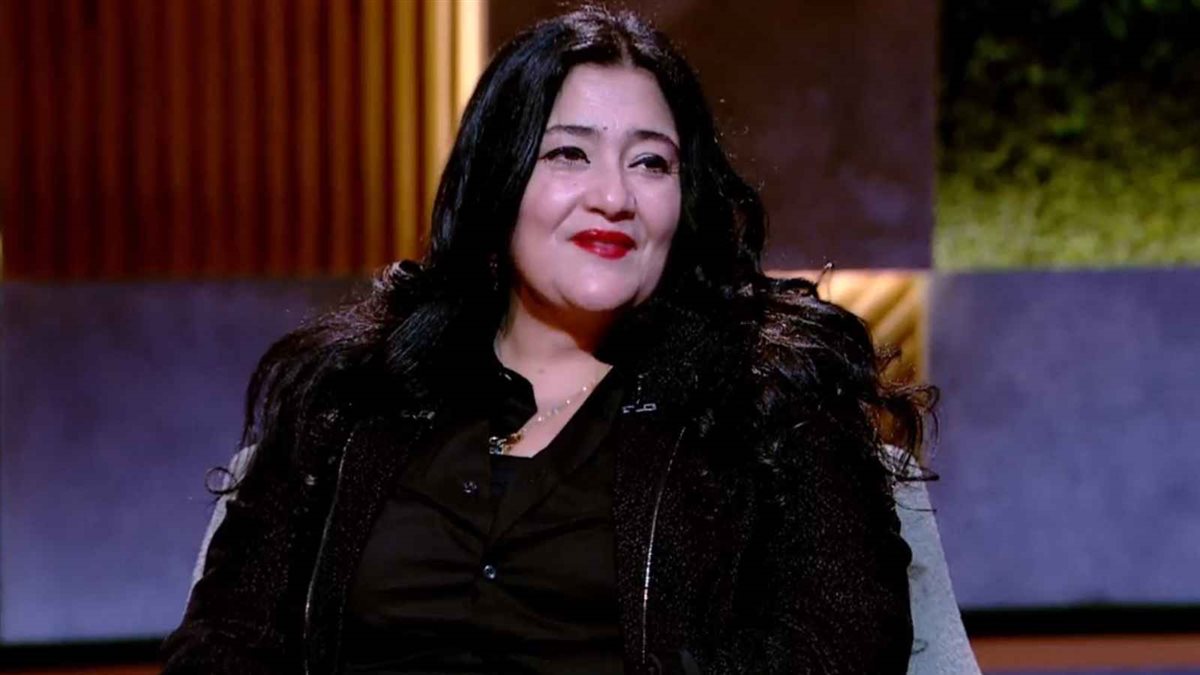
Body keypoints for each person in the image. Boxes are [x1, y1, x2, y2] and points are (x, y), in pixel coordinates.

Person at [162, 6, 933, 674]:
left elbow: (838, 648)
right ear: (499, 177)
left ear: (685, 197)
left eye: (650, 163)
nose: (613, 196)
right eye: (569, 153)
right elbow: (226, 643)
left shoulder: (772, 398)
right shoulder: (353, 393)